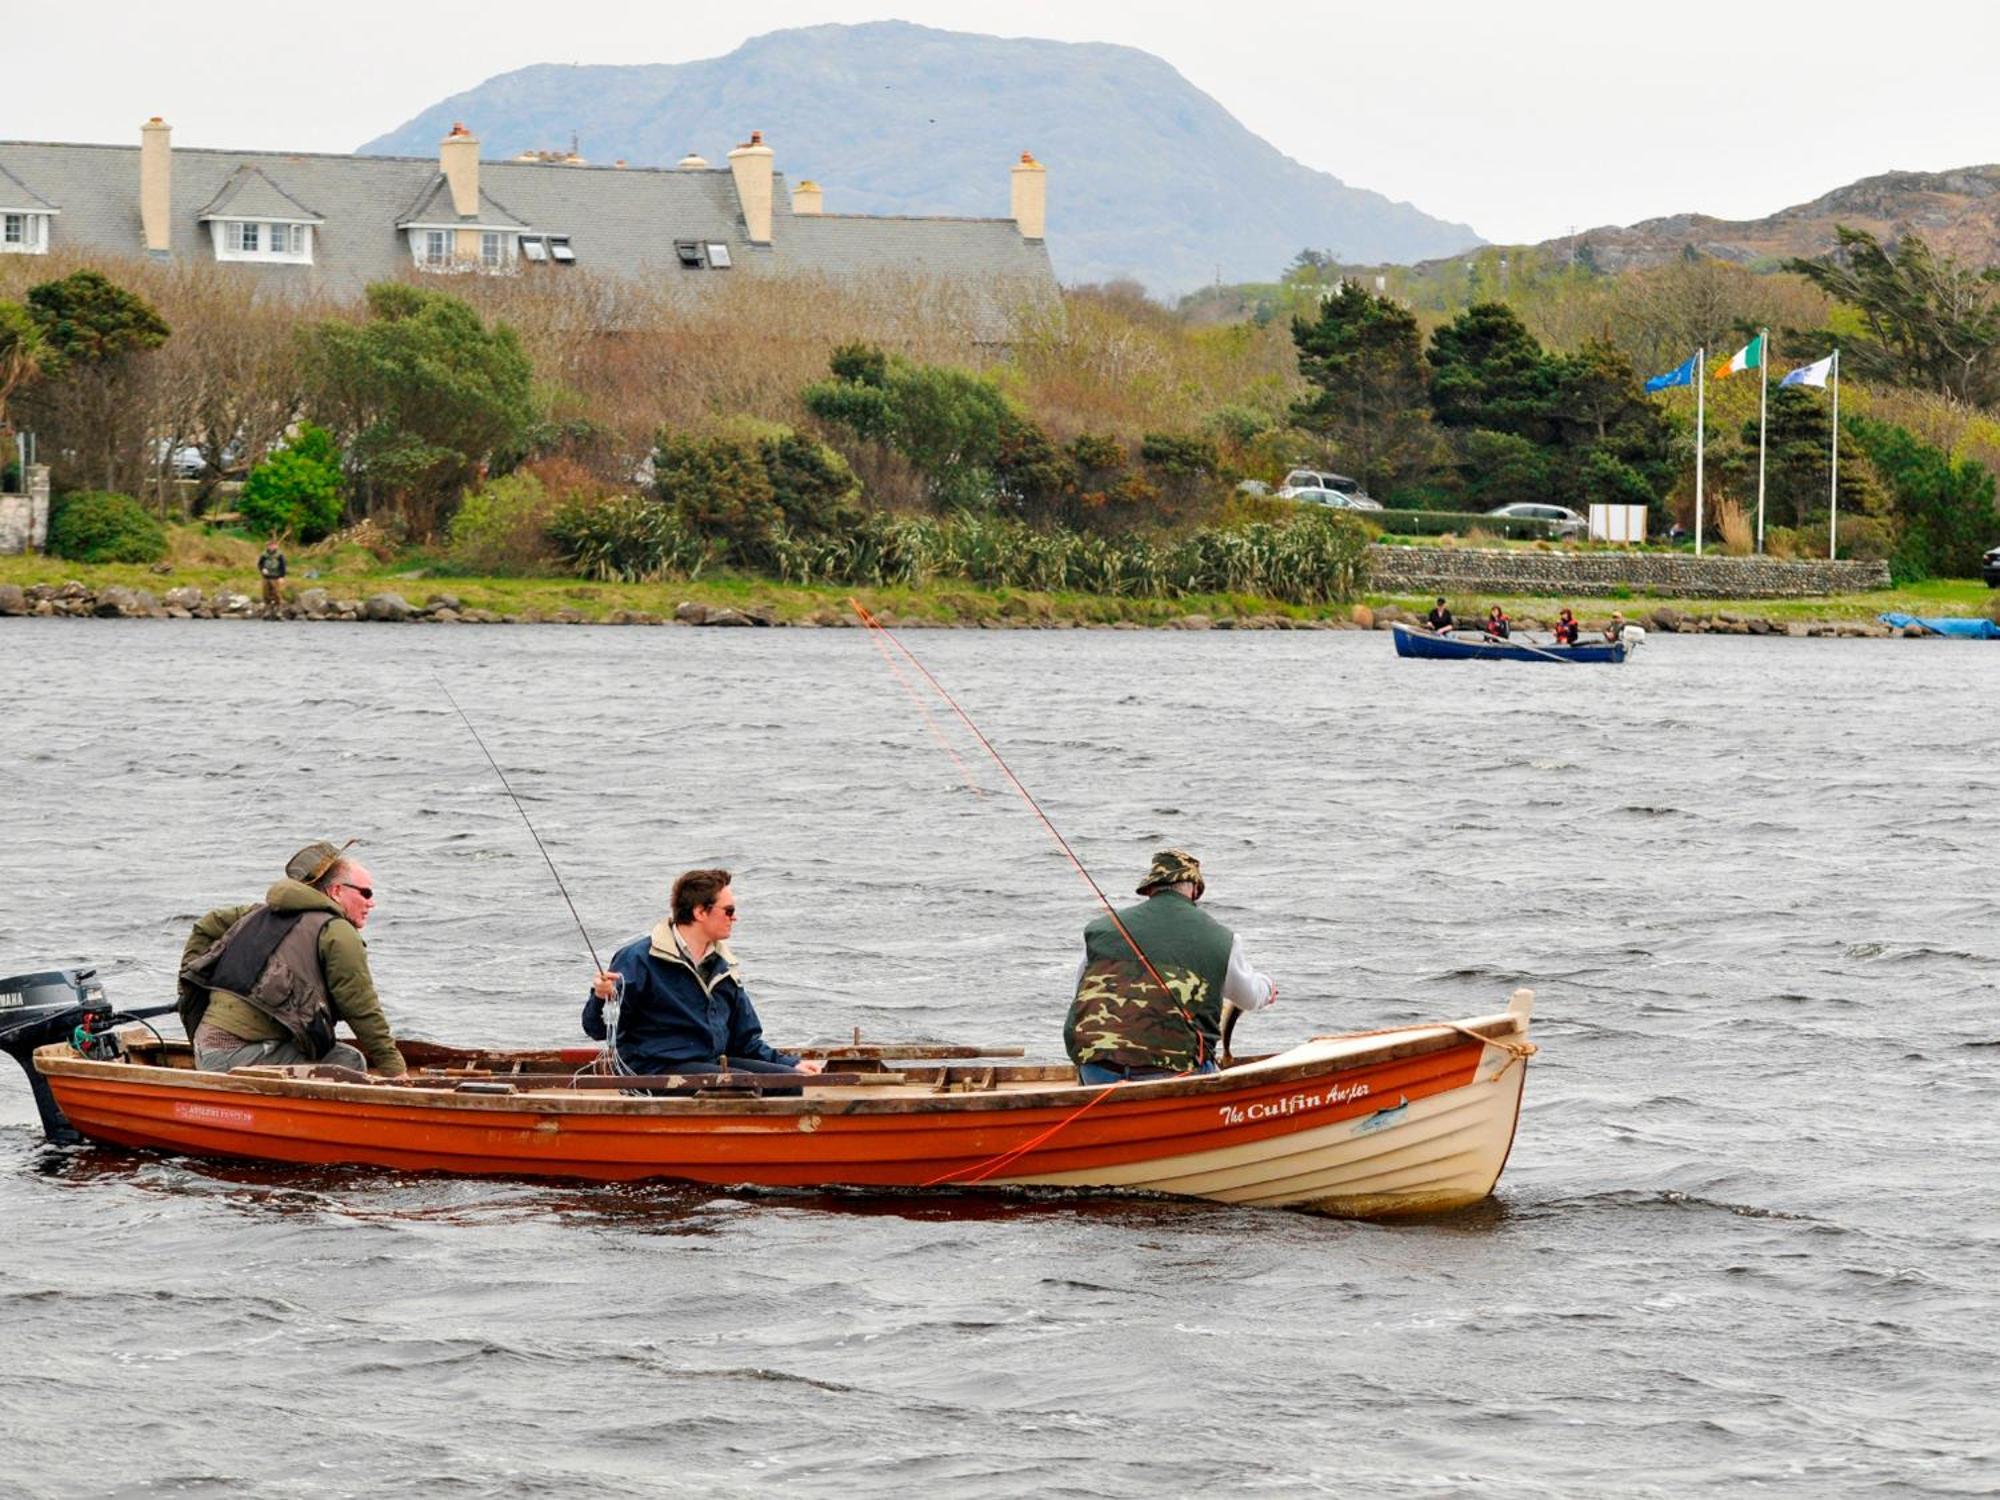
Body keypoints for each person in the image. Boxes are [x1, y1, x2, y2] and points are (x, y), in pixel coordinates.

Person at [178, 840, 407, 1076]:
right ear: (337, 891)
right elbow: (361, 1009)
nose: (372, 902)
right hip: (231, 1058)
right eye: (366, 893)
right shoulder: (338, 932)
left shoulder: (259, 913)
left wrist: (188, 995)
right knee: (348, 1062)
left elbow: (207, 925)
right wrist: (396, 1071)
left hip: (206, 1048)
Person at [1064, 849, 1277, 1085]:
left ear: (1150, 889)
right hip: (1173, 1074)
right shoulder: (1222, 939)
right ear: (1195, 889)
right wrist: (1267, 988)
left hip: (1096, 1070)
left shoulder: (1101, 929)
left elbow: (1080, 995)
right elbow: (1248, 998)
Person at [585, 868, 825, 1077]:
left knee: (790, 1082)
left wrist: (791, 1064)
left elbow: (745, 1041)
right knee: (742, 1084)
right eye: (728, 910)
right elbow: (598, 1029)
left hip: (708, 1065)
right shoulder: (638, 958)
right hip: (653, 1069)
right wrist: (599, 997)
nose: (735, 917)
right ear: (700, 912)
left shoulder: (723, 965)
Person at [257, 537, 287, 620]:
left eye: (273, 545)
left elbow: (283, 566)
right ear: (267, 546)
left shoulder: (280, 555)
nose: (271, 547)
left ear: (276, 546)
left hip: (276, 577)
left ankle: (278, 611)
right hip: (266, 577)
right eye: (270, 545)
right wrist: (262, 569)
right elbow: (260, 564)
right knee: (265, 594)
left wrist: (282, 577)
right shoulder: (264, 555)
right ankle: (267, 611)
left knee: (277, 594)